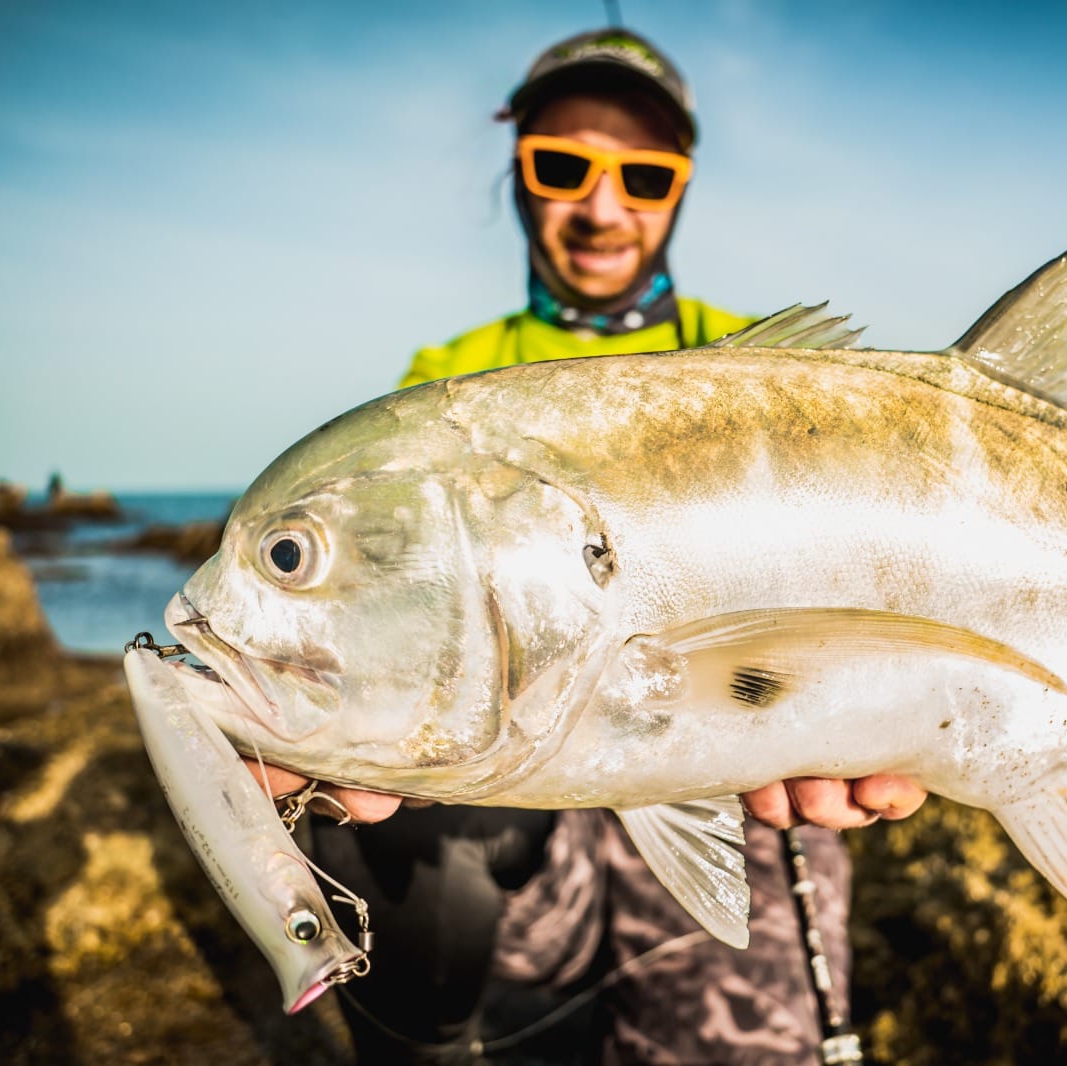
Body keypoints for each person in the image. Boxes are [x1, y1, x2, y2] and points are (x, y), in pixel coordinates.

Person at [257, 28, 926, 1065]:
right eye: (562, 167)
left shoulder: (768, 373)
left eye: (644, 177)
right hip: (521, 787)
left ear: (679, 191)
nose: (603, 208)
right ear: (518, 174)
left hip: (734, 757)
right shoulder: (444, 380)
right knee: (394, 840)